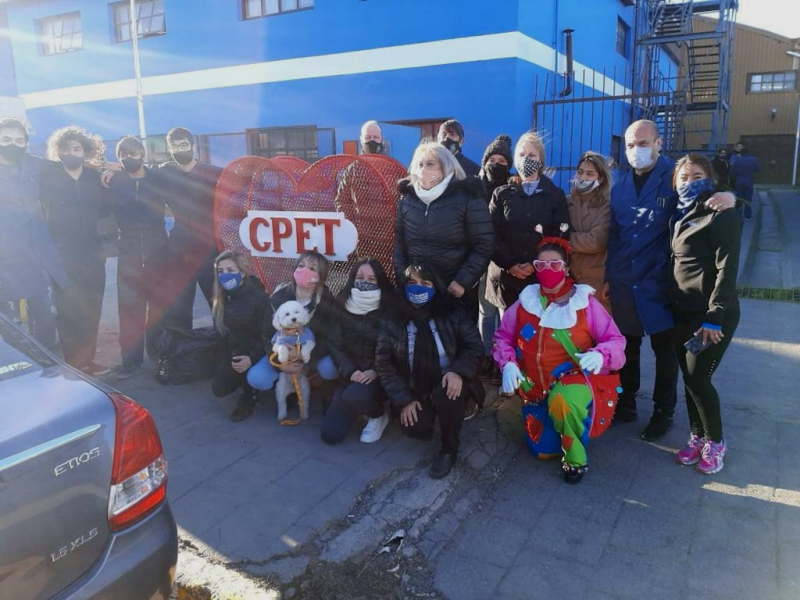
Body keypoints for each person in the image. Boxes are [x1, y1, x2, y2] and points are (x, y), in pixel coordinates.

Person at [606, 119, 736, 441]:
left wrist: (731, 196)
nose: (638, 150)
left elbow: (706, 196)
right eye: (631, 145)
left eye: (644, 143)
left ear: (659, 143)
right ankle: (626, 402)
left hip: (662, 283)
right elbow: (615, 234)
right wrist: (610, 276)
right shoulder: (620, 184)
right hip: (625, 280)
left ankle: (663, 412)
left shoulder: (676, 176)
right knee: (628, 347)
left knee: (666, 352)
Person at [493, 242, 625, 483]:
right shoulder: (526, 300)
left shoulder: (585, 303)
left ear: (566, 268)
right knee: (542, 451)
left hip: (571, 380)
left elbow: (615, 340)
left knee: (565, 402)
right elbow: (503, 337)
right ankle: (556, 419)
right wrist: (508, 363)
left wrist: (601, 354)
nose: (547, 269)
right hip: (534, 387)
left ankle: (575, 460)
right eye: (541, 264)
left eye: (555, 264)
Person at [375, 264, 483, 479]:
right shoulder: (393, 317)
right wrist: (404, 399)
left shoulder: (452, 312)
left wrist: (458, 372)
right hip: (415, 386)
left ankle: (449, 449)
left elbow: (475, 347)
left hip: (448, 379)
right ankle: (432, 409)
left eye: (425, 283)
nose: (418, 289)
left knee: (449, 394)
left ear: (436, 286)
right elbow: (383, 361)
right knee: (417, 430)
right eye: (412, 283)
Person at [669, 154, 741, 474]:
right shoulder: (679, 212)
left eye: (696, 175)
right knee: (688, 378)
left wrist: (715, 315)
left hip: (710, 316)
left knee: (699, 378)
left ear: (709, 178)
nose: (688, 182)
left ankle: (716, 441)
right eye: (683, 177)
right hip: (681, 311)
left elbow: (727, 269)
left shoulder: (720, 213)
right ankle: (697, 436)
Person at [394, 141, 494, 321]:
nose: (424, 169)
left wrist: (462, 281)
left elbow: (484, 243)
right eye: (420, 164)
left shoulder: (468, 197)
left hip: (453, 292)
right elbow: (400, 243)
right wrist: (405, 278)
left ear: (446, 167)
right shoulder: (407, 200)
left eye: (430, 164)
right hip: (418, 290)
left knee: (455, 345)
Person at [40, 126, 110, 375]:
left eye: (77, 149)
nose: (72, 153)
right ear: (58, 152)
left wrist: (107, 170)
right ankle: (74, 363)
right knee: (69, 310)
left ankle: (88, 360)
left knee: (92, 307)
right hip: (62, 254)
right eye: (67, 149)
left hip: (93, 253)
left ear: (85, 151)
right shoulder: (49, 177)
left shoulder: (94, 178)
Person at [0, 117, 68, 350]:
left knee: (45, 319)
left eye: (19, 140)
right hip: (4, 260)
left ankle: (47, 366)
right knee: (10, 326)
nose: (13, 144)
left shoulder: (34, 165)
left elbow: (65, 166)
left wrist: (104, 169)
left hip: (36, 255)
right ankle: (20, 372)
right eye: (6, 139)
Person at [487, 130, 571, 312]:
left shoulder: (555, 195)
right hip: (506, 280)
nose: (526, 159)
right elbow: (489, 233)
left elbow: (561, 235)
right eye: (522, 155)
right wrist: (509, 264)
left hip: (541, 278)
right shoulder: (501, 194)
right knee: (507, 334)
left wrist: (536, 263)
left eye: (532, 155)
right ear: (515, 160)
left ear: (541, 160)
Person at [106, 136, 169, 379]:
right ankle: (130, 361)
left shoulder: (158, 179)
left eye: (134, 153)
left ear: (143, 154)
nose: (129, 158)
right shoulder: (115, 181)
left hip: (157, 250)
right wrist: (109, 169)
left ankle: (159, 354)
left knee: (158, 307)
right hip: (129, 252)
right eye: (124, 153)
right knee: (130, 308)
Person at [322, 259, 396, 444]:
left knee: (355, 396)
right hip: (351, 374)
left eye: (372, 279)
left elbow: (395, 347)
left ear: (380, 281)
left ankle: (378, 414)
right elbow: (334, 342)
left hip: (380, 376)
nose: (365, 282)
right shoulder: (343, 302)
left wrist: (376, 371)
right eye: (360, 277)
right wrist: (350, 371)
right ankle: (355, 403)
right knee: (330, 434)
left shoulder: (390, 306)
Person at [157, 127, 224, 331]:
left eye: (184, 145)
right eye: (174, 146)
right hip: (178, 249)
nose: (179, 149)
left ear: (193, 146)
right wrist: (107, 168)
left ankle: (225, 351)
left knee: (217, 303)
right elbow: (138, 173)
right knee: (179, 305)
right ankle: (182, 352)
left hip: (208, 247)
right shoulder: (166, 173)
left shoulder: (213, 173)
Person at [248, 251, 340, 397]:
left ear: (321, 277)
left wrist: (304, 355)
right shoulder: (277, 298)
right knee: (257, 378)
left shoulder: (328, 301)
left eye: (312, 269)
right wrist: (281, 363)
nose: (305, 271)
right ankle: (288, 391)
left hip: (313, 352)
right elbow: (267, 334)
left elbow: (332, 337)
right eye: (301, 265)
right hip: (282, 351)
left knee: (331, 368)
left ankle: (328, 393)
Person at [210, 251, 272, 422]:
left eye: (230, 270)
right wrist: (225, 359)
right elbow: (220, 333)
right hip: (235, 349)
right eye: (220, 271)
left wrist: (251, 358)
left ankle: (250, 395)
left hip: (256, 350)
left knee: (255, 377)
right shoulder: (220, 297)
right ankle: (242, 378)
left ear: (243, 273)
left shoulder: (260, 299)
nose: (225, 275)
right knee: (219, 388)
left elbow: (267, 335)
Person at [477, 134, 513, 384]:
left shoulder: (512, 188)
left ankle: (504, 359)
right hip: (478, 259)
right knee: (485, 312)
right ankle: (486, 356)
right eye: (493, 158)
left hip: (501, 260)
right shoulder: (473, 186)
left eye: (502, 160)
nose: (496, 164)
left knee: (504, 313)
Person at [567, 151, 612, 311]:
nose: (583, 177)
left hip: (595, 280)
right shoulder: (568, 201)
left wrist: (565, 240)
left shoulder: (606, 205)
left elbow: (596, 241)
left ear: (600, 178)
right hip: (570, 278)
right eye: (580, 172)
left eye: (590, 174)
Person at [729, 142, 759, 220]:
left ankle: (739, 214)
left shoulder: (738, 160)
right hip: (749, 181)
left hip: (739, 181)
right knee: (748, 198)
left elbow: (732, 172)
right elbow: (757, 169)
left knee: (739, 198)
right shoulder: (753, 159)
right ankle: (748, 215)